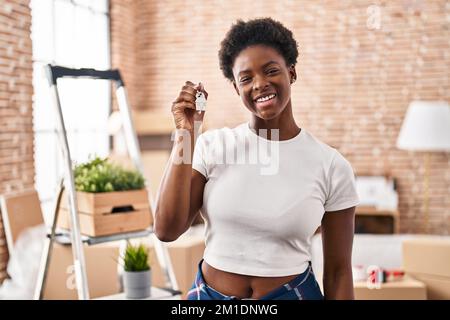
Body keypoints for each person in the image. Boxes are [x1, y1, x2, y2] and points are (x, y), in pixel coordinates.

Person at [154, 17, 360, 300]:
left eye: (271, 71)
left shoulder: (332, 166)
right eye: (246, 78)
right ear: (237, 88)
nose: (260, 84)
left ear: (292, 73)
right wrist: (186, 134)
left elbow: (338, 272)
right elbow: (166, 229)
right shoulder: (213, 145)